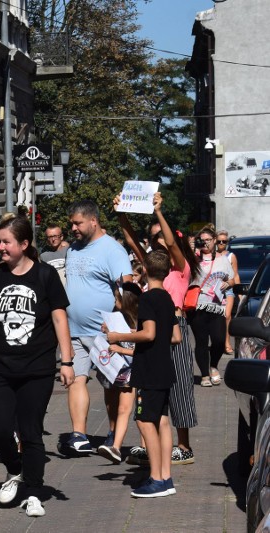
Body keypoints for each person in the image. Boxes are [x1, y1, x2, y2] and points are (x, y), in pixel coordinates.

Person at [0, 215, 74, 517]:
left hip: (37, 368)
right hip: (0, 366)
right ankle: (14, 470)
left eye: (5, 241)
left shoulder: (45, 275)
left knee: (30, 431)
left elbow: (59, 318)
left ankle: (35, 491)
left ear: (24, 244)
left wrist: (66, 361)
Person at [116, 192, 199, 466]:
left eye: (161, 239)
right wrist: (121, 213)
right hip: (152, 323)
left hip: (174, 324)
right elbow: (129, 238)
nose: (158, 244)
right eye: (154, 242)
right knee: (150, 382)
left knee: (180, 385)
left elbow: (173, 242)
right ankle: (147, 442)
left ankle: (184, 445)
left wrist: (159, 212)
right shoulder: (154, 267)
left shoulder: (181, 268)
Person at [105, 250, 181, 498]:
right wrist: (122, 347)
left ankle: (157, 479)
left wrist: (119, 336)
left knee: (145, 421)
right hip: (164, 368)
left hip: (148, 371)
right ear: (167, 272)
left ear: (145, 271)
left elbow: (148, 333)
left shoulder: (148, 299)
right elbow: (175, 337)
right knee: (161, 421)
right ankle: (166, 476)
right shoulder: (167, 299)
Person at [63, 200, 132, 455]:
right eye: (71, 223)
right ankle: (79, 435)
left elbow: (127, 289)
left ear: (94, 220)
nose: (73, 228)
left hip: (104, 332)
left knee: (111, 383)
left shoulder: (112, 250)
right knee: (76, 379)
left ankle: (113, 433)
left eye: (77, 223)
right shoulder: (73, 250)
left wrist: (119, 321)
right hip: (74, 330)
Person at [96, 282, 140, 464]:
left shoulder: (143, 321)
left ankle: (145, 448)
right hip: (126, 371)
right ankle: (116, 447)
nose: (114, 301)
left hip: (142, 370)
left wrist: (120, 347)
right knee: (123, 409)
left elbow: (143, 349)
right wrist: (108, 332)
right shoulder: (118, 318)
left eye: (116, 298)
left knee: (142, 413)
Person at [189, 226, 234, 387]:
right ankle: (204, 375)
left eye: (209, 240)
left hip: (217, 305)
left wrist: (227, 283)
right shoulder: (193, 259)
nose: (206, 243)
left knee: (219, 340)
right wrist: (192, 247)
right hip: (198, 306)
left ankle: (213, 365)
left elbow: (233, 279)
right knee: (201, 341)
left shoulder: (223, 260)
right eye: (203, 240)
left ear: (215, 241)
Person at [215, 229, 240, 354]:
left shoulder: (231, 256)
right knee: (215, 318)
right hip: (214, 290)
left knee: (227, 315)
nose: (221, 243)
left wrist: (240, 292)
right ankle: (217, 342)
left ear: (227, 242)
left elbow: (235, 276)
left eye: (223, 241)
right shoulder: (212, 255)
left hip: (228, 290)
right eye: (219, 241)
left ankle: (227, 342)